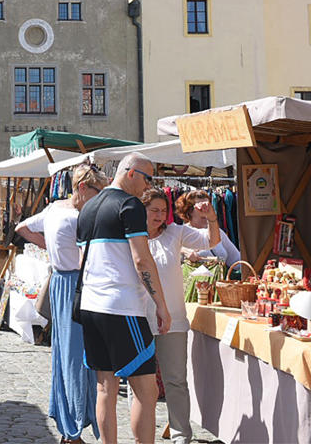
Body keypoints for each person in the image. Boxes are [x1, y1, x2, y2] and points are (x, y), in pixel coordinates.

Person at [77, 153, 170, 444]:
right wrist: (162, 306)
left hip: (91, 304)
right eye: (148, 178)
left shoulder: (88, 206)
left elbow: (83, 258)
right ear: (131, 173)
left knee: (106, 387)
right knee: (146, 390)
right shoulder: (129, 205)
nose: (149, 185)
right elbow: (142, 260)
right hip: (121, 306)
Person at [15, 163, 109, 444]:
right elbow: (85, 258)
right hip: (77, 285)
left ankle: (71, 424)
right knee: (79, 357)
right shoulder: (78, 217)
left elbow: (21, 228)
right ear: (82, 188)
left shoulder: (53, 209)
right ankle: (75, 426)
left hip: (60, 282)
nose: (99, 198)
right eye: (97, 192)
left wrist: (49, 246)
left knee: (65, 354)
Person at [139, 187, 220, 444]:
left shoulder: (175, 232)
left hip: (173, 319)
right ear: (142, 210)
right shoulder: (131, 236)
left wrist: (213, 218)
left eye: (164, 211)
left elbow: (211, 242)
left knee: (176, 380)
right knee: (140, 383)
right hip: (139, 318)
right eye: (154, 210)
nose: (160, 216)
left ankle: (181, 435)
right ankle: (142, 432)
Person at [179, 190, 240, 266]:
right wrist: (183, 251)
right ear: (189, 211)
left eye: (207, 206)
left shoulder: (217, 232)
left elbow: (236, 259)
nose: (205, 211)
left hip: (219, 277)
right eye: (200, 207)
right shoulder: (182, 232)